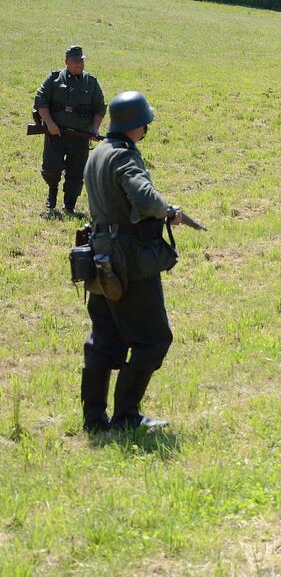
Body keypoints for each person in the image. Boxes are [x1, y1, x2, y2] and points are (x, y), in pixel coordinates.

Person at [80, 91, 184, 432]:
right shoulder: (124, 156)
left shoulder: (98, 153)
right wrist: (165, 210)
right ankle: (126, 415)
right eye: (145, 123)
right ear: (135, 125)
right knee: (154, 340)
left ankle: (94, 418)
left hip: (100, 254)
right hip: (129, 262)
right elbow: (142, 195)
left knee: (104, 340)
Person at [33, 45, 106, 217]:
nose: (79, 64)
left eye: (81, 60)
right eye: (75, 61)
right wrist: (50, 123)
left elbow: (100, 108)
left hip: (80, 137)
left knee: (76, 172)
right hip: (55, 135)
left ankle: (69, 207)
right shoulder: (54, 79)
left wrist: (95, 128)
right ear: (66, 62)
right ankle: (51, 201)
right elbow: (40, 100)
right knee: (51, 168)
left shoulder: (92, 83)